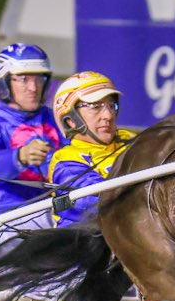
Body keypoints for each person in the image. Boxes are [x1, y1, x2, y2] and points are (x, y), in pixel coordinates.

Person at [0, 43, 62, 226]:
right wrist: (19, 157)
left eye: (39, 79)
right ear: (4, 82)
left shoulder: (56, 118)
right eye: (23, 79)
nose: (33, 88)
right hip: (5, 216)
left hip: (56, 212)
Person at [48, 71, 134, 227]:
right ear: (71, 120)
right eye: (95, 107)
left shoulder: (130, 139)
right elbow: (104, 203)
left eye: (111, 106)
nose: (108, 115)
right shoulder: (66, 162)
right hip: (86, 238)